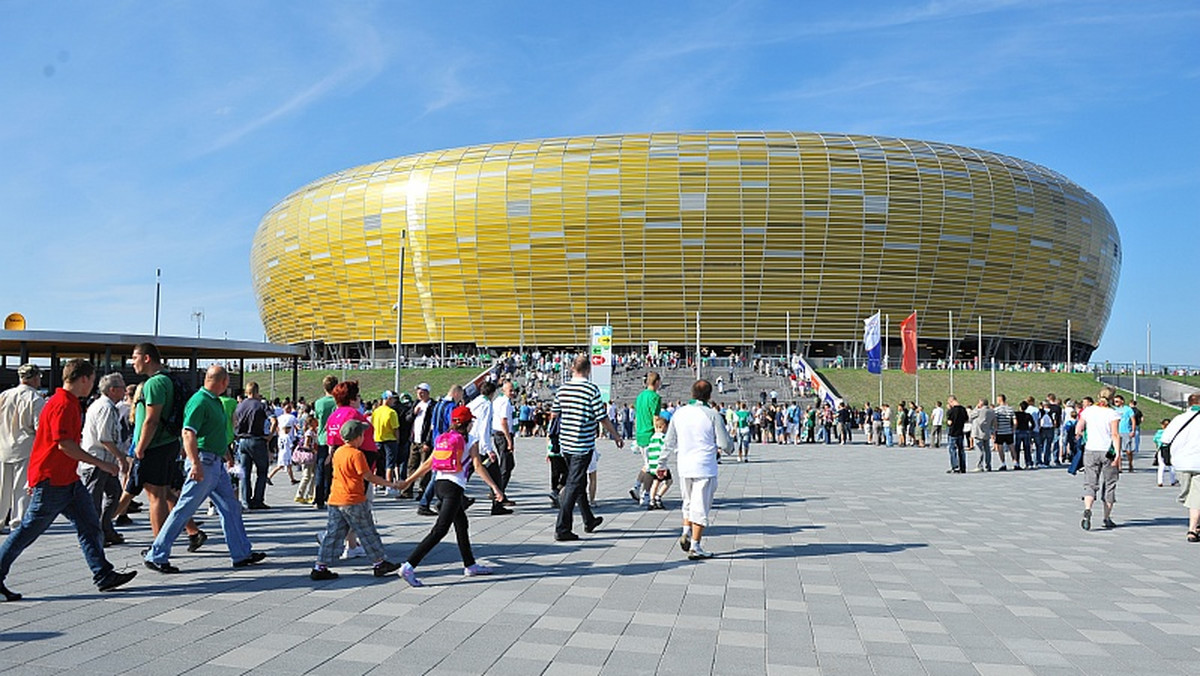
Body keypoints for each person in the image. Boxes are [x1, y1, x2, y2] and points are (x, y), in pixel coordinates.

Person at [0, 359, 137, 601]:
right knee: (27, 531)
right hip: (52, 481)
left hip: (66, 481)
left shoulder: (67, 402)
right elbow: (65, 445)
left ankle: (103, 574)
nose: (93, 386)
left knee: (89, 524)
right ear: (83, 378)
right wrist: (101, 463)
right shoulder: (62, 404)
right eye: (92, 380)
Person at [143, 366, 267, 573]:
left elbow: (211, 433)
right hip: (204, 462)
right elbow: (188, 432)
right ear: (225, 382)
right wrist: (195, 463)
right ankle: (156, 554)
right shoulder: (199, 401)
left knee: (231, 508)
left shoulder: (213, 401)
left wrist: (225, 455)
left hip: (214, 462)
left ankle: (242, 553)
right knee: (184, 509)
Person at [397, 405, 506, 587]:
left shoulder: (442, 438)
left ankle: (470, 565)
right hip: (453, 488)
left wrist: (409, 481)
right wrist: (495, 487)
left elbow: (428, 464)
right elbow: (478, 467)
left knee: (461, 523)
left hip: (439, 485)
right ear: (468, 423)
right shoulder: (471, 440)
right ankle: (409, 566)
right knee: (440, 530)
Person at [310, 420, 405, 580]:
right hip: (353, 499)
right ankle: (379, 563)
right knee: (367, 531)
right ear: (357, 437)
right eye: (362, 434)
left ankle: (320, 566)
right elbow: (367, 476)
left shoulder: (338, 452)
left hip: (335, 499)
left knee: (334, 534)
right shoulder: (357, 454)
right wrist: (390, 484)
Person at [658, 379, 732, 560]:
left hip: (684, 465)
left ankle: (686, 531)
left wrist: (661, 463)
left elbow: (669, 442)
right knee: (701, 506)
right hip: (704, 466)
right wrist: (729, 448)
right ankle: (695, 545)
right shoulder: (712, 414)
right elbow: (725, 444)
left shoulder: (679, 413)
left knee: (688, 502)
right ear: (709, 395)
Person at [552, 355, 623, 542]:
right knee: (574, 484)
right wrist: (615, 435)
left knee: (578, 481)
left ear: (572, 369)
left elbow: (554, 413)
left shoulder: (563, 388)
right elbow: (602, 416)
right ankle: (562, 527)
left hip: (565, 443)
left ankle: (588, 519)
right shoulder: (591, 389)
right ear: (588, 370)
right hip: (582, 444)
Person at [80, 372, 130, 546]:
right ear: (113, 390)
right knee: (94, 501)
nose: (125, 391)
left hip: (105, 461)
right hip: (98, 460)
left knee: (113, 494)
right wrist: (120, 457)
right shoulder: (105, 408)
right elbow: (105, 438)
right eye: (123, 388)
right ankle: (93, 536)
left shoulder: (107, 406)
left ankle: (105, 529)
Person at [0, 364, 44, 534]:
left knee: (2, 487)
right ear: (34, 378)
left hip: (3, 445)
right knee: (21, 488)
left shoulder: (4, 395)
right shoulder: (35, 398)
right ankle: (17, 523)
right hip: (25, 446)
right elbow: (39, 427)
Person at [1076, 388, 1122, 531]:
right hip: (1107, 451)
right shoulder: (1113, 413)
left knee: (1090, 483)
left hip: (1091, 450)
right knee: (1109, 484)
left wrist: (1083, 435)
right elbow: (1115, 435)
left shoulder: (1088, 411)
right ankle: (1106, 518)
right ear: (1112, 398)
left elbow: (1078, 428)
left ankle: (1088, 509)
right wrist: (1118, 454)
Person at [1161, 394, 1200, 542]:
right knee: (1192, 497)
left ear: (1189, 404)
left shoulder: (1178, 419)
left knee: (1192, 496)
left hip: (1181, 463)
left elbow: (1165, 440)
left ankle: (1192, 529)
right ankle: (1195, 524)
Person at [233, 381, 273, 510]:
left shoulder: (240, 406)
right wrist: (270, 436)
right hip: (257, 439)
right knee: (262, 471)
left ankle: (245, 501)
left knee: (245, 472)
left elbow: (234, 420)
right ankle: (258, 500)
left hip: (242, 441)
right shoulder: (261, 405)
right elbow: (274, 420)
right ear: (257, 392)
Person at [630, 372, 663, 501]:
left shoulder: (640, 396)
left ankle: (637, 487)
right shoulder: (655, 397)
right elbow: (655, 417)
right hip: (650, 433)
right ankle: (646, 494)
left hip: (641, 433)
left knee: (647, 463)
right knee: (651, 467)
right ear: (656, 382)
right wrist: (658, 435)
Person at [311, 375, 338, 509]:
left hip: (322, 437)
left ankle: (319, 498)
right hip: (336, 437)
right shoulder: (337, 401)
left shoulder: (319, 403)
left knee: (320, 469)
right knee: (334, 469)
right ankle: (331, 495)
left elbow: (316, 419)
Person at [490, 381, 517, 504]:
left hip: (498, 434)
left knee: (508, 464)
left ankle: (497, 490)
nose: (512, 393)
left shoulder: (497, 401)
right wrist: (509, 440)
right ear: (503, 390)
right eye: (510, 390)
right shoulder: (505, 402)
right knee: (506, 466)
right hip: (503, 435)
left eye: (513, 390)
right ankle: (498, 493)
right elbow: (504, 422)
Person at [371, 391, 401, 497]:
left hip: (377, 439)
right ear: (387, 399)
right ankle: (389, 486)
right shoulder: (391, 412)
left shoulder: (376, 411)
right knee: (390, 464)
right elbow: (395, 428)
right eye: (392, 399)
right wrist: (397, 440)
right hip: (389, 439)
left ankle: (374, 486)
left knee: (377, 464)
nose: (394, 401)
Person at [267, 402, 298, 485]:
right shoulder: (292, 417)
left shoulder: (279, 418)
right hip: (287, 445)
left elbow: (276, 427)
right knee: (281, 465)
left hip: (281, 440)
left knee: (288, 465)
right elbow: (297, 426)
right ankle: (269, 476)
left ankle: (292, 479)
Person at [969, 399, 996, 472]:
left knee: (979, 449)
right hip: (987, 432)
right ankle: (988, 465)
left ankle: (979, 466)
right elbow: (994, 422)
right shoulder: (992, 411)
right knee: (987, 450)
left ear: (981, 403)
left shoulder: (979, 411)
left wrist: (976, 407)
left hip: (978, 432)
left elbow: (970, 416)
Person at [945, 396, 968, 474]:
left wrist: (948, 411)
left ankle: (955, 467)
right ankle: (963, 467)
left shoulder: (951, 411)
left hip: (953, 432)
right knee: (961, 450)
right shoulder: (963, 409)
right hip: (960, 432)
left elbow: (949, 422)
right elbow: (966, 419)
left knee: (952, 450)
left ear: (951, 401)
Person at [1153, 417, 1178, 488]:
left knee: (1161, 465)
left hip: (1161, 449)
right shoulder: (1173, 433)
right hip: (1169, 449)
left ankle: (1160, 481)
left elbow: (1155, 439)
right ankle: (1172, 480)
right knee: (1171, 465)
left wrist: (1157, 445)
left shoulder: (1159, 432)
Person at [993, 394, 1015, 471]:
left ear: (999, 400)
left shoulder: (996, 410)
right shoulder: (1010, 409)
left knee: (1000, 448)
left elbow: (995, 422)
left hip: (1000, 431)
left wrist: (995, 430)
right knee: (1012, 447)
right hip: (1008, 431)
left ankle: (1003, 463)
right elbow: (1015, 421)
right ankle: (1015, 463)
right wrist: (1013, 429)